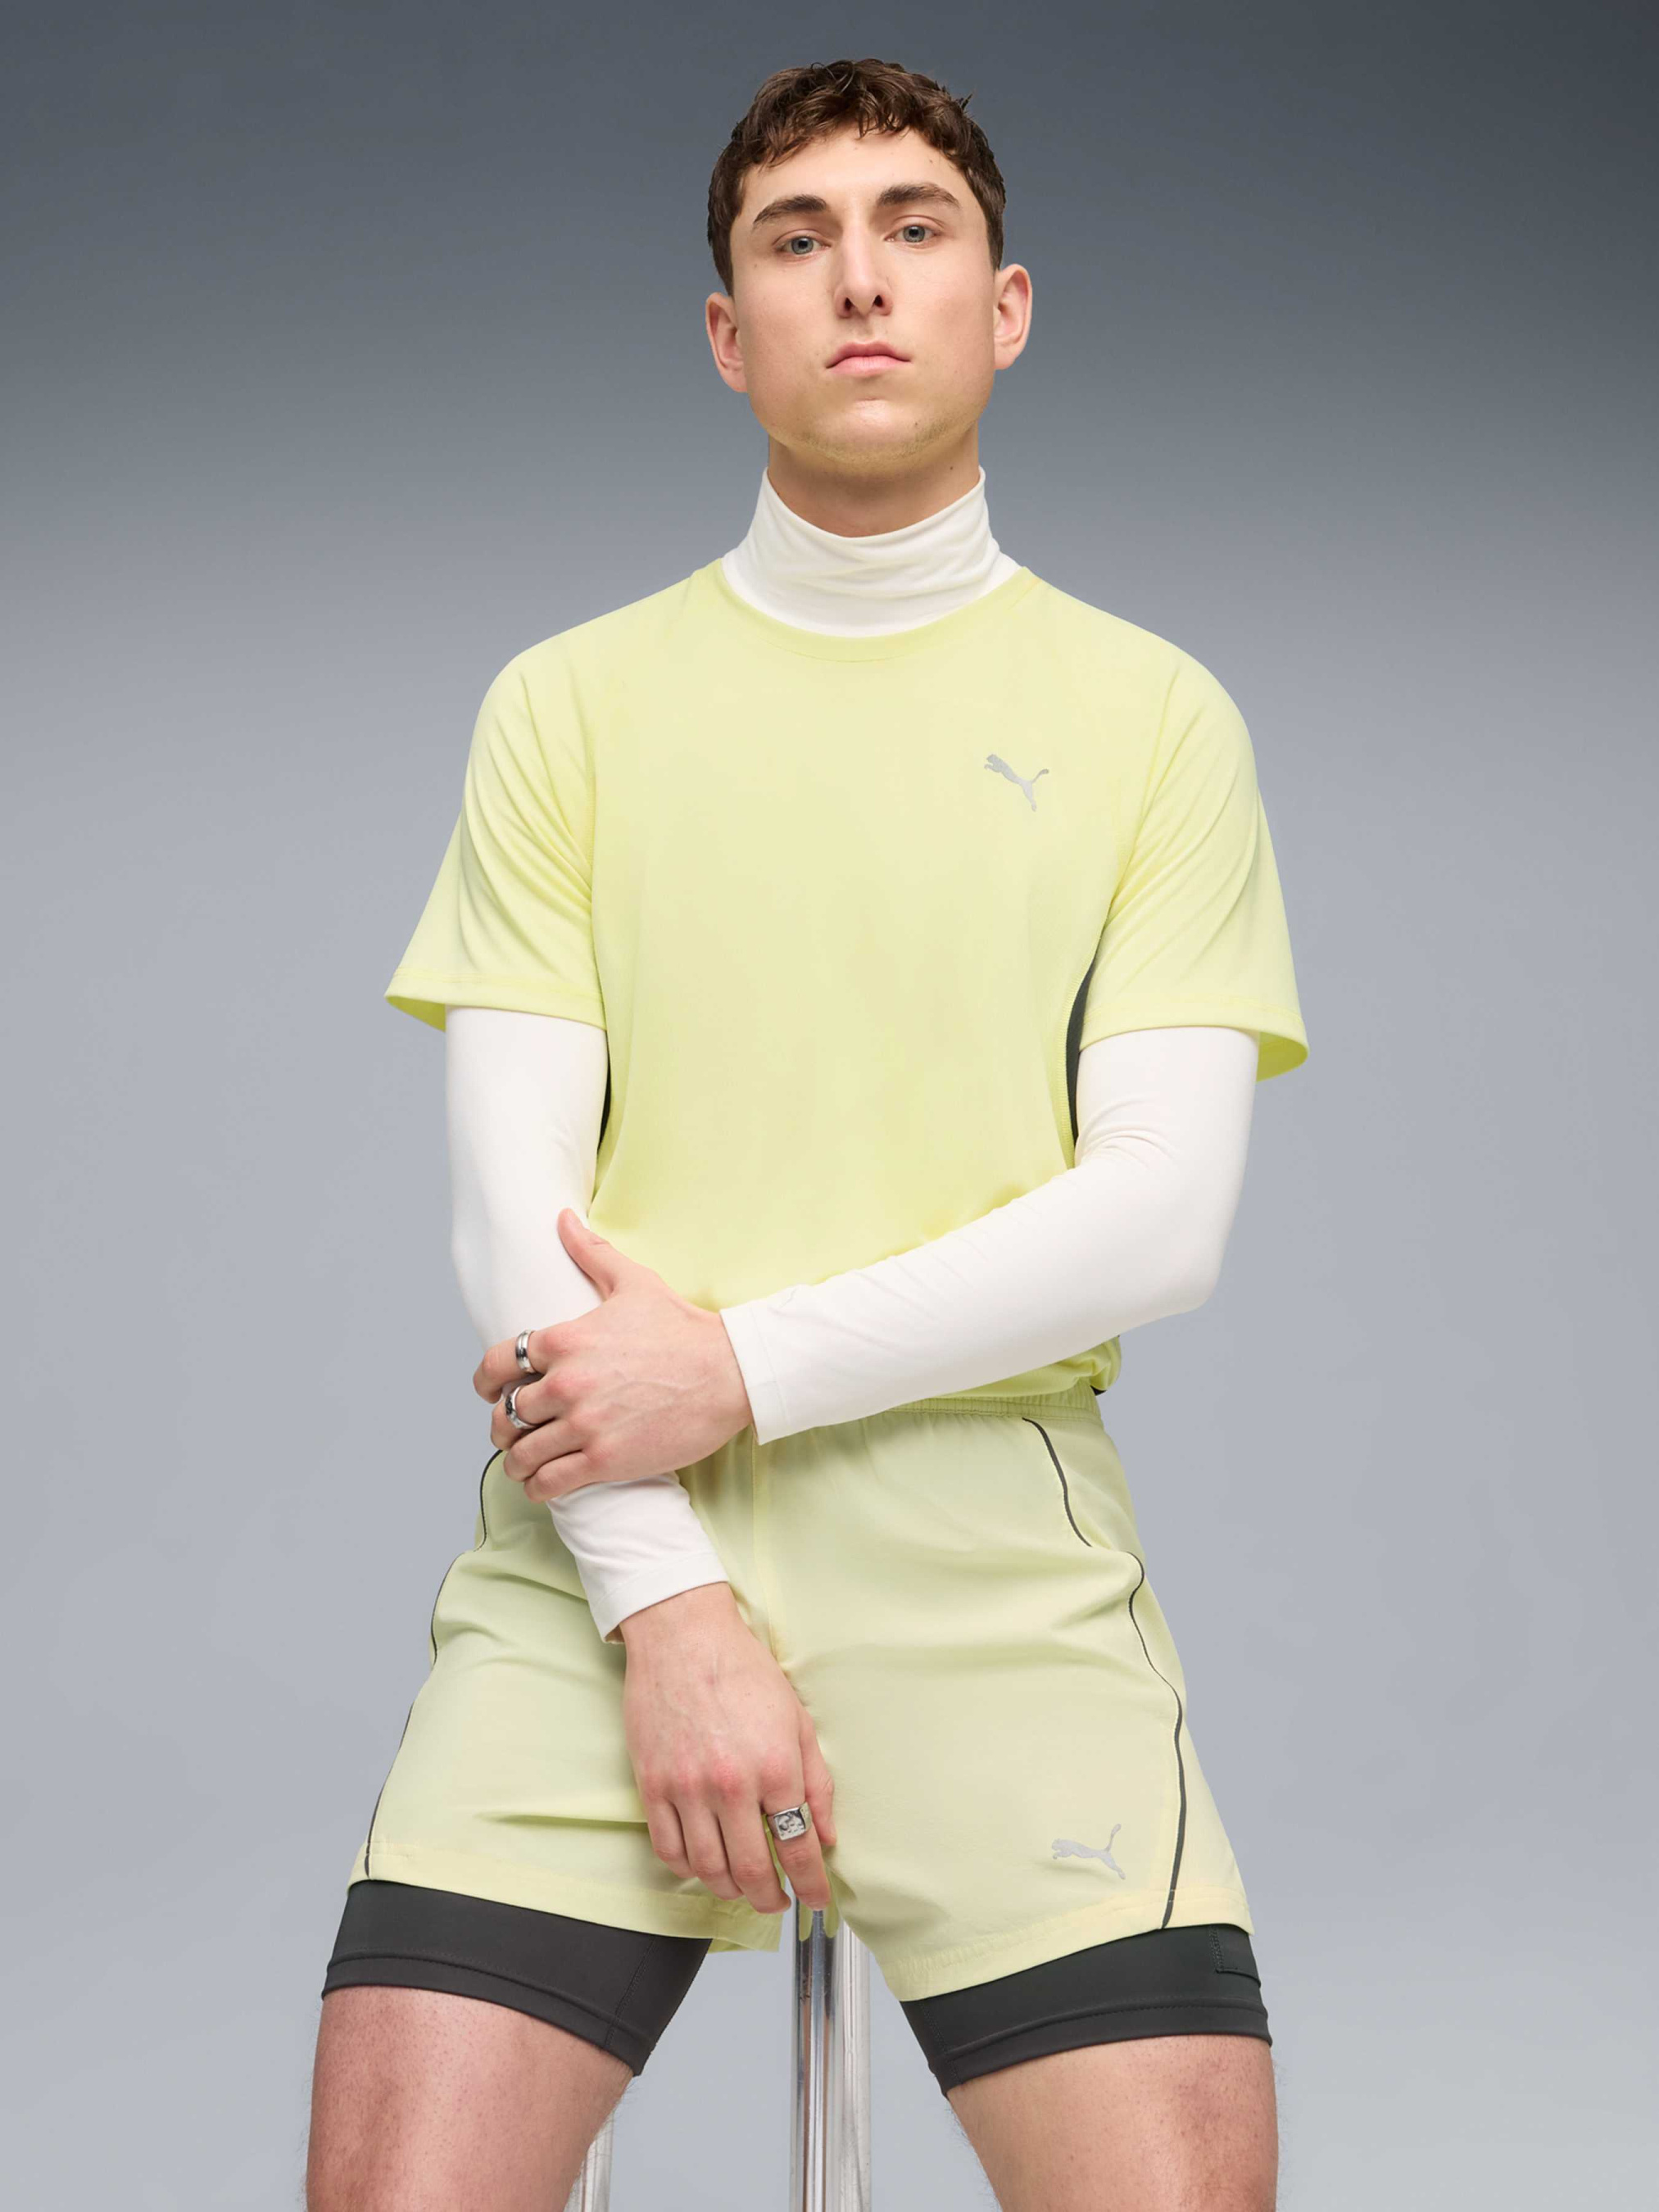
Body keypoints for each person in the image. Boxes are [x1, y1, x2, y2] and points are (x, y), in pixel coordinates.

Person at [306, 56, 1308, 2212]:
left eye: (913, 228)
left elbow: (1160, 1214)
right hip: (602, 1551)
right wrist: (669, 1609)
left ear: (1001, 306)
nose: (859, 278)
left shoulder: (1155, 721)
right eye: (798, 238)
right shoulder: (567, 706)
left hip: (989, 1571)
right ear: (725, 329)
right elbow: (510, 1213)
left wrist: (740, 1366)